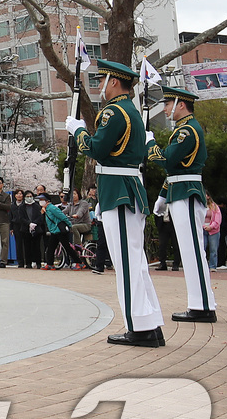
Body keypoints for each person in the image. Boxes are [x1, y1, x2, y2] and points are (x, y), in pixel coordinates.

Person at [67, 59, 164, 346]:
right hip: (125, 188)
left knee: (127, 262)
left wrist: (78, 130)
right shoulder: (131, 110)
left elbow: (96, 148)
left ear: (114, 82)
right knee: (136, 261)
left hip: (119, 192)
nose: (99, 86)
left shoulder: (114, 111)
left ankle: (140, 327)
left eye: (102, 80)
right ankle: (149, 322)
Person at [148, 84, 217, 322]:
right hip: (181, 191)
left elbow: (167, 160)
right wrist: (163, 195)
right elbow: (175, 171)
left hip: (186, 194)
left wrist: (150, 145)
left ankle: (202, 306)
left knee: (192, 251)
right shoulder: (184, 128)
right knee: (190, 250)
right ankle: (201, 303)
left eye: (168, 104)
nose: (166, 109)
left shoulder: (186, 130)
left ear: (181, 104)